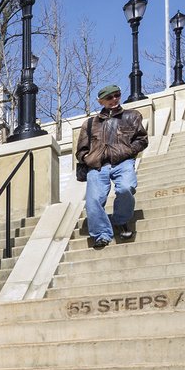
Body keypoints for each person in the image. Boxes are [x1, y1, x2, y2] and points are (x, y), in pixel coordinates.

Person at [75, 84, 148, 249]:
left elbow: (142, 139)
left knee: (126, 188)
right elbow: (80, 149)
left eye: (117, 95)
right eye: (109, 97)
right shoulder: (89, 123)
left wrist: (128, 151)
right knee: (93, 201)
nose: (114, 99)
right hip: (98, 166)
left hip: (123, 162)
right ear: (101, 101)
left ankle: (121, 220)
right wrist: (87, 158)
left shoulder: (132, 116)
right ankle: (101, 234)